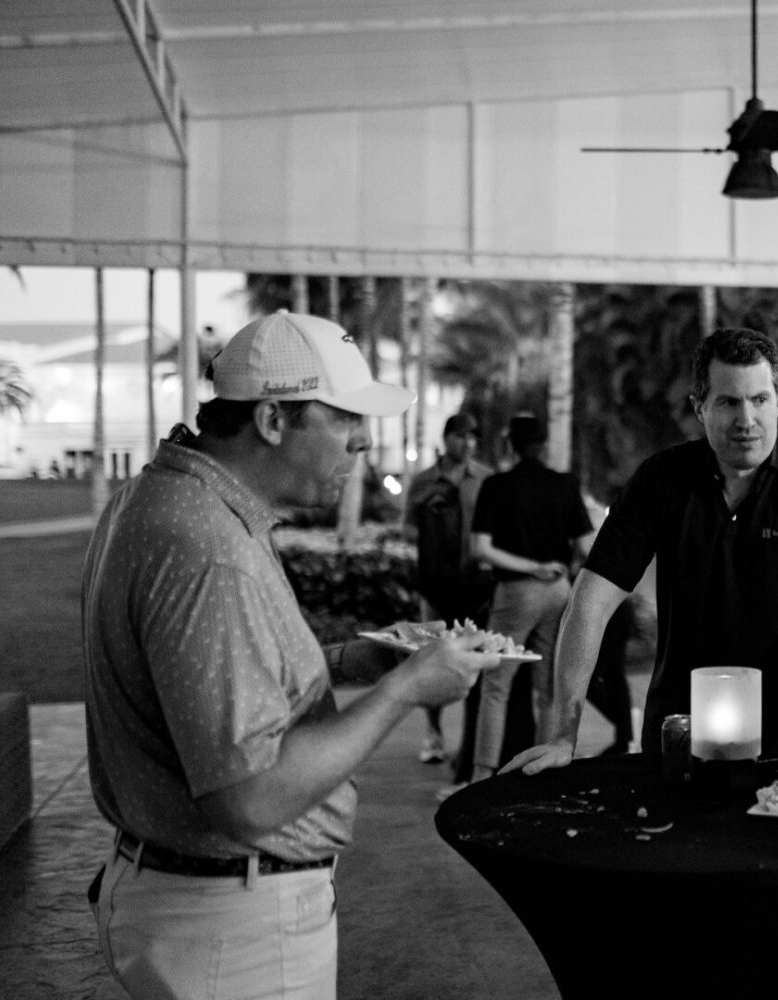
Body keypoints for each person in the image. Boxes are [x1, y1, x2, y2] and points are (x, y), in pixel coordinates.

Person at [82, 312, 499, 1000]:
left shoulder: (162, 498)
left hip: (186, 900)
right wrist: (405, 691)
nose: (365, 441)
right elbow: (249, 799)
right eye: (344, 420)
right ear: (273, 419)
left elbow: (199, 684)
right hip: (232, 929)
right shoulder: (210, 549)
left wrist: (345, 661)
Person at [505, 327, 778, 781]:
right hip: (677, 737)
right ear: (699, 407)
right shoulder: (661, 481)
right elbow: (588, 605)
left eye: (760, 400)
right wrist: (563, 736)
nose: (746, 418)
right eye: (728, 402)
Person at [464, 412, 596, 782]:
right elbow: (588, 546)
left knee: (495, 686)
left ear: (511, 445)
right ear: (543, 445)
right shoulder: (564, 485)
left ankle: (481, 777)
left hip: (516, 595)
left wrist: (528, 567)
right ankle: (539, 777)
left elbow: (480, 548)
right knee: (548, 689)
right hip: (559, 590)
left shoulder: (497, 485)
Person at [403, 412, 493, 770]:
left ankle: (470, 745)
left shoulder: (486, 479)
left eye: (472, 437)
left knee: (477, 658)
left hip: (475, 583)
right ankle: (434, 733)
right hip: (436, 582)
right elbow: (408, 529)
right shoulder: (424, 481)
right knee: (432, 655)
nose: (467, 443)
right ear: (447, 438)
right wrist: (435, 527)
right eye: (460, 436)